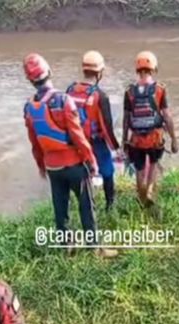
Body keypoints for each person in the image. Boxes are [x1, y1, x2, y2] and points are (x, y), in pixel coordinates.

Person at [22, 53, 117, 258]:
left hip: (52, 166)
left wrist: (41, 165)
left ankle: (67, 246)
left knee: (60, 206)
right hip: (74, 164)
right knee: (86, 206)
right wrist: (92, 162)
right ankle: (95, 249)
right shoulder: (63, 101)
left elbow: (34, 142)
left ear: (30, 80)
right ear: (50, 72)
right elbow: (78, 135)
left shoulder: (29, 107)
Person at [67, 50, 121, 211]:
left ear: (84, 70)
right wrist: (116, 149)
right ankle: (110, 204)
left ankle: (87, 205)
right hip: (96, 142)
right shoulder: (100, 96)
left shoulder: (70, 90)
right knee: (107, 171)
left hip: (75, 142)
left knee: (83, 173)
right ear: (100, 73)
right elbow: (106, 127)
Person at [122, 51, 178, 207]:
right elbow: (167, 116)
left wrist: (124, 141)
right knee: (153, 165)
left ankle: (141, 199)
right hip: (155, 139)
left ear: (137, 70)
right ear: (154, 69)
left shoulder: (129, 91)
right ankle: (150, 192)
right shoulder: (159, 89)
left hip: (136, 141)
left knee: (139, 170)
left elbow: (126, 119)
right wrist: (174, 139)